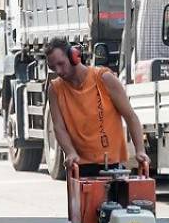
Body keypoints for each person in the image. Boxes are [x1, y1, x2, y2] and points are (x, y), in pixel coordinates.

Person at [45, 37, 150, 176]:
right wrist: (70, 152)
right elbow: (58, 127)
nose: (58, 71)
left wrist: (140, 150)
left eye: (61, 63)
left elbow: (130, 116)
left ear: (74, 56)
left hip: (112, 165)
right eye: (53, 67)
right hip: (80, 166)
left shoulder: (104, 78)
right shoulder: (55, 89)